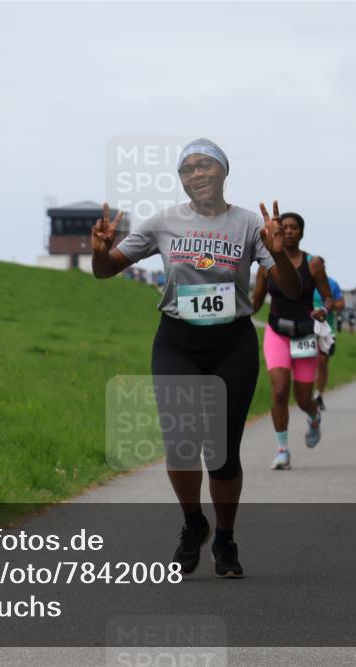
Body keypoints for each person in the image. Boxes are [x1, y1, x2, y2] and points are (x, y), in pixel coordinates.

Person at [91, 138, 301, 579]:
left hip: (232, 345)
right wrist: (99, 249)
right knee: (180, 444)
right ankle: (192, 524)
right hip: (177, 341)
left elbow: (293, 289)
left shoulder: (248, 224)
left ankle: (225, 537)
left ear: (225, 172)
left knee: (222, 454)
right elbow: (106, 269)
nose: (196, 174)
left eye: (205, 166)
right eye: (187, 169)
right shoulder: (164, 221)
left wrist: (278, 252)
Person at [251, 214, 333, 472]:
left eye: (293, 228)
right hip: (277, 333)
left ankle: (314, 416)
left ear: (301, 233)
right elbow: (254, 303)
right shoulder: (265, 267)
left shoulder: (314, 264)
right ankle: (282, 451)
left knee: (303, 399)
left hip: (305, 335)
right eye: (283, 227)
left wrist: (324, 311)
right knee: (278, 390)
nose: (288, 232)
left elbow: (328, 299)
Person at [312, 260, 344, 410]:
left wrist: (328, 307)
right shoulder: (307, 282)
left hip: (327, 329)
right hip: (308, 327)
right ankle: (304, 393)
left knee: (323, 361)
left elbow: (341, 303)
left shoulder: (332, 284)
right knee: (306, 359)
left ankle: (318, 394)